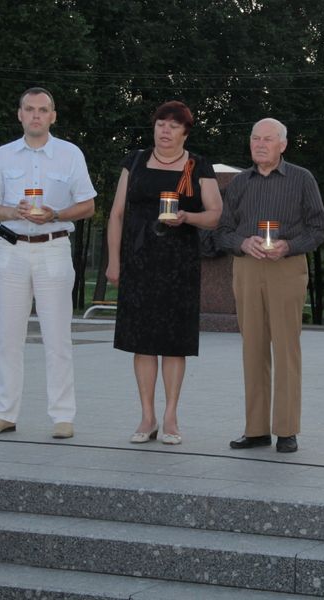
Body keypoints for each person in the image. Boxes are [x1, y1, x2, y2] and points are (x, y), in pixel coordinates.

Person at [0, 87, 96, 439]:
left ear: (53, 116)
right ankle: (4, 413)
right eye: (30, 109)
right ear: (20, 114)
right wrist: (13, 211)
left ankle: (62, 416)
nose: (36, 116)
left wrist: (56, 213)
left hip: (53, 249)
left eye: (43, 110)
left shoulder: (70, 155)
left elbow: (88, 206)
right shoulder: (3, 156)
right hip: (11, 250)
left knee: (57, 337)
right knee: (8, 338)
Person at [106, 101, 222, 446]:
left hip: (179, 265)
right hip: (138, 262)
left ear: (185, 131)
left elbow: (215, 214)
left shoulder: (198, 164)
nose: (165, 131)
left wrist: (188, 218)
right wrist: (115, 260)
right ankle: (147, 416)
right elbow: (116, 215)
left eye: (173, 126)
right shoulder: (135, 161)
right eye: (160, 124)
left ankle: (170, 416)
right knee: (142, 344)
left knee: (173, 345)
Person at [216, 118, 324, 453]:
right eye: (255, 138)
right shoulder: (239, 184)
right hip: (247, 268)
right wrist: (242, 241)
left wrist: (289, 245)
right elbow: (222, 231)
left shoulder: (301, 179)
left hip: (286, 266)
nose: (260, 144)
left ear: (283, 144)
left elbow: (319, 228)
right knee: (252, 348)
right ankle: (255, 429)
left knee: (285, 349)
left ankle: (286, 429)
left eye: (268, 139)